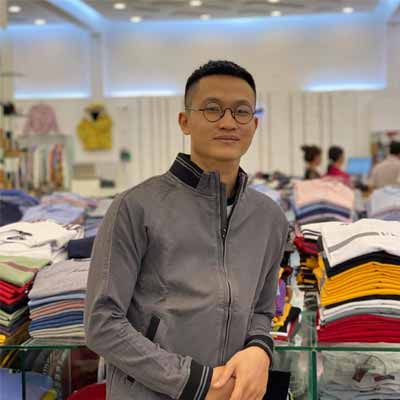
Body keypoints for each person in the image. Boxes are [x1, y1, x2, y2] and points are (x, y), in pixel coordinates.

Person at [84, 60, 289, 400]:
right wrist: (195, 382)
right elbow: (102, 323)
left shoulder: (269, 218)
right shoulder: (135, 207)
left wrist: (259, 349)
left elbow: (262, 309)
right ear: (185, 121)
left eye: (241, 112)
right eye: (212, 109)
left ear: (254, 125)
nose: (228, 122)